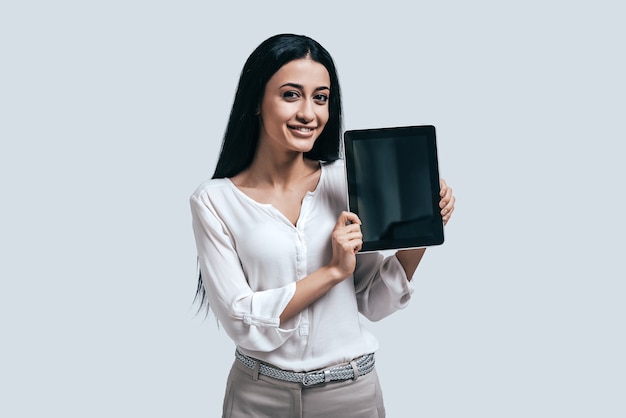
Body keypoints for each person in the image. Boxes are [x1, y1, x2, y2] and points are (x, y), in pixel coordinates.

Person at [190, 33, 455, 418]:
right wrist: (332, 271)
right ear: (257, 102)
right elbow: (240, 317)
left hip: (351, 397)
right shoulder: (214, 201)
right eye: (291, 94)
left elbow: (375, 301)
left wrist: (425, 226)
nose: (309, 114)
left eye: (321, 97)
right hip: (258, 398)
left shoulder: (347, 182)